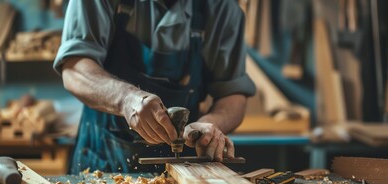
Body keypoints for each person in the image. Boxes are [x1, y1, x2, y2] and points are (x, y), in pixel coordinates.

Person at [53, 0, 256, 174]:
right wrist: (127, 99)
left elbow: (232, 94)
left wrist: (210, 126)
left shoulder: (222, 8)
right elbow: (74, 70)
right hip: (104, 161)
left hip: (184, 168)